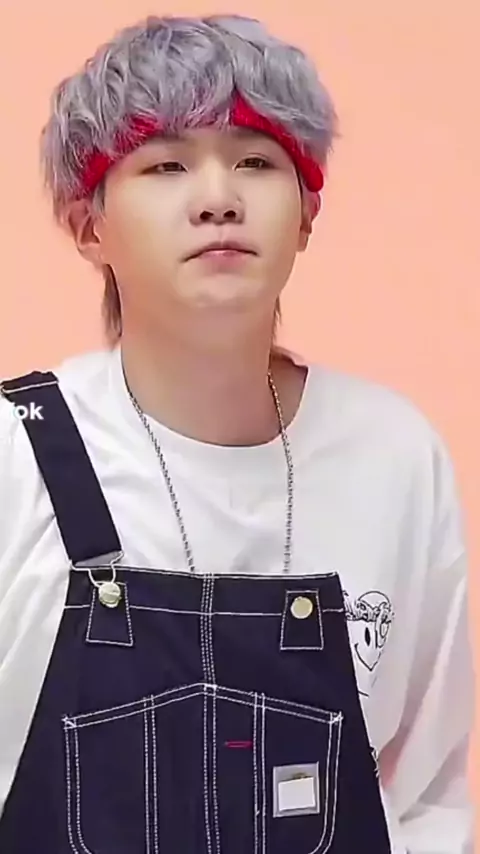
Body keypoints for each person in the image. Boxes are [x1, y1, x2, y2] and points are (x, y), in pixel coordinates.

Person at [0, 13, 474, 854]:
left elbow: (427, 795)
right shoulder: (16, 451)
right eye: (166, 164)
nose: (219, 197)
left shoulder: (392, 455)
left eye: (256, 161)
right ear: (87, 227)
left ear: (308, 214)